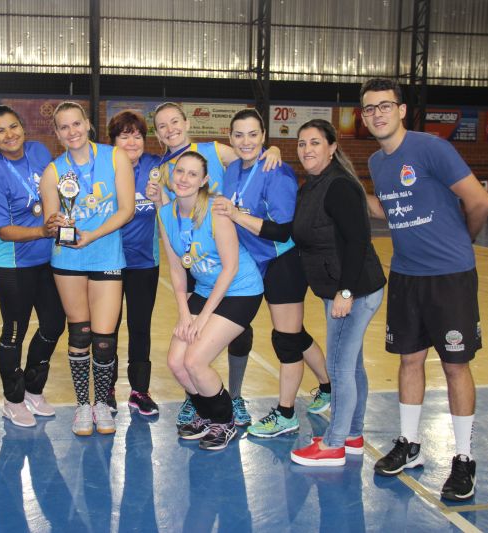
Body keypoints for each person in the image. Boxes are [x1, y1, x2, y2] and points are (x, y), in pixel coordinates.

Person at [361, 78, 488, 499]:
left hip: (449, 276)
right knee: (409, 362)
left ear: (401, 110)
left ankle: (465, 458)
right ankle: (409, 444)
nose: (377, 113)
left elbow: (479, 201)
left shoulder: (431, 148)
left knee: (455, 366)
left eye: (384, 105)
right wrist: (352, 193)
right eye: (369, 108)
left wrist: (463, 242)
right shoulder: (377, 163)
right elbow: (391, 208)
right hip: (406, 275)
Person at [151, 102, 281, 427]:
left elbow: (249, 155)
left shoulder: (213, 150)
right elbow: (173, 223)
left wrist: (272, 149)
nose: (170, 129)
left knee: (220, 341)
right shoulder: (166, 168)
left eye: (174, 122)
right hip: (201, 261)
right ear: (157, 133)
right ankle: (200, 403)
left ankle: (230, 399)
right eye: (162, 125)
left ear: (186, 122)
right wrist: (159, 202)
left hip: (233, 257)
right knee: (186, 352)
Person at [210, 109, 332, 440]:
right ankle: (327, 385)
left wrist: (236, 215)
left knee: (286, 339)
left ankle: (287, 413)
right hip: (254, 263)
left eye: (253, 134)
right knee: (294, 332)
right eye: (239, 135)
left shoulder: (275, 171)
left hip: (283, 261)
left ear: (264, 136)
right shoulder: (232, 169)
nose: (246, 141)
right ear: (231, 138)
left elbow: (281, 231)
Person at [276, 119, 386, 466]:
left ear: (332, 147)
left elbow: (357, 242)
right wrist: (239, 216)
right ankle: (352, 435)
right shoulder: (312, 186)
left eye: (315, 143)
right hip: (338, 289)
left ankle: (334, 444)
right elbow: (288, 231)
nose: (307, 149)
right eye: (302, 144)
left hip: (354, 290)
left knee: (339, 368)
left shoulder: (339, 186)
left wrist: (346, 292)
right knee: (351, 366)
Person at [40, 101, 135, 436]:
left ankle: (102, 404)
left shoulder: (115, 157)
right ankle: (83, 404)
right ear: (57, 133)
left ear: (87, 125)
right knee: (79, 332)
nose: (72, 132)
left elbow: (126, 209)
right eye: (64, 127)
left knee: (104, 338)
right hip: (69, 260)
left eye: (76, 124)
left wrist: (92, 234)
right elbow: (51, 223)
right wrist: (58, 226)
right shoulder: (53, 172)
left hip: (106, 255)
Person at [159, 151, 263, 450]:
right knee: (176, 363)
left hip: (240, 290)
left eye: (193, 174)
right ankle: (206, 416)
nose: (184, 179)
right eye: (180, 172)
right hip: (204, 288)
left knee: (195, 360)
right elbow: (177, 268)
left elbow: (230, 268)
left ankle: (224, 420)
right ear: (172, 174)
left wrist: (202, 318)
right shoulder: (166, 214)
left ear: (204, 180)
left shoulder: (215, 211)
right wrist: (184, 314)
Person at [0, 105, 66, 428]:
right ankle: (13, 400)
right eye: (0, 131)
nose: (9, 134)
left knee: (54, 324)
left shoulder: (39, 151)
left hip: (47, 258)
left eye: (13, 126)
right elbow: (3, 231)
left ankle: (33, 388)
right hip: (12, 263)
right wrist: (42, 230)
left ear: (23, 128)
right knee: (14, 331)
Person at [106, 110, 162, 416]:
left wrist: (271, 149)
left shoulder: (157, 166)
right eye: (124, 135)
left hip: (144, 264)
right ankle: (107, 389)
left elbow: (195, 155)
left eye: (137, 135)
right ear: (113, 141)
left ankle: (140, 391)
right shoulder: (104, 167)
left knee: (140, 327)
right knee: (108, 328)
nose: (132, 141)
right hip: (109, 262)